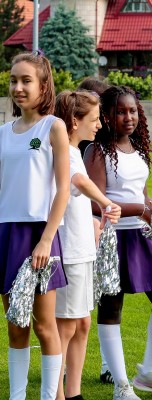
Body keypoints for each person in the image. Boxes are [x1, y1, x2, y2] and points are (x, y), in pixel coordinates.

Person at [84, 86, 152, 400]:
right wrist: (141, 209)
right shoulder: (98, 151)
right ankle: (121, 386)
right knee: (111, 308)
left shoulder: (139, 149)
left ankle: (149, 370)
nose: (128, 117)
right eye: (120, 111)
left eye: (132, 111)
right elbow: (96, 204)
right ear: (106, 116)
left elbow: (143, 199)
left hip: (142, 236)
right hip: (110, 237)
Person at [0, 51, 70, 400]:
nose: (18, 87)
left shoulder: (53, 127)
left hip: (39, 235)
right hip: (6, 235)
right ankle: (16, 396)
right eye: (14, 80)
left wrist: (46, 240)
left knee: (44, 326)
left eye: (26, 80)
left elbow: (63, 190)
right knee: (16, 326)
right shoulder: (2, 132)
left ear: (44, 85)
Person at [53, 91, 121, 400]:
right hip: (68, 251)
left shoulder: (73, 150)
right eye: (94, 120)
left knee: (81, 324)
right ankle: (54, 394)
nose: (99, 125)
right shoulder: (64, 152)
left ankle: (73, 393)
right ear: (75, 121)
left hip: (80, 249)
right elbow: (78, 182)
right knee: (65, 328)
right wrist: (107, 203)